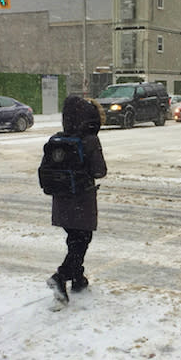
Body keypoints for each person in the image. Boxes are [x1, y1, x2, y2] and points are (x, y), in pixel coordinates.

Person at [47, 96, 107, 305]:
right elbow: (100, 171)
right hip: (82, 200)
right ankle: (61, 277)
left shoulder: (58, 138)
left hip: (61, 201)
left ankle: (78, 279)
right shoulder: (89, 140)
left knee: (74, 239)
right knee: (81, 241)